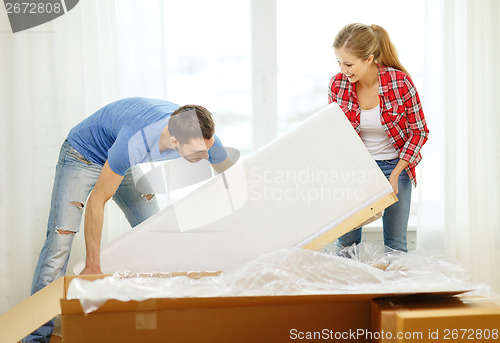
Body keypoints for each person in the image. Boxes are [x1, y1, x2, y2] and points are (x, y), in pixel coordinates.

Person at [23, 97, 233, 343]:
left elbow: (232, 178)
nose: (207, 155)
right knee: (59, 244)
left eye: (208, 148)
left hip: (119, 161)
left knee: (154, 230)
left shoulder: (203, 138)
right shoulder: (135, 142)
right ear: (174, 141)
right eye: (199, 153)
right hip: (82, 155)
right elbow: (97, 201)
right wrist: (92, 266)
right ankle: (35, 338)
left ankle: (153, 323)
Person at [328, 23, 429, 253]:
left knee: (396, 245)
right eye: (339, 62)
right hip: (357, 170)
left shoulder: (400, 83)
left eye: (349, 64)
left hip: (396, 167)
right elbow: (336, 135)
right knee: (346, 245)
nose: (343, 70)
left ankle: (394, 289)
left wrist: (395, 175)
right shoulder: (338, 85)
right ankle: (350, 289)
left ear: (369, 59)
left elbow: (419, 131)